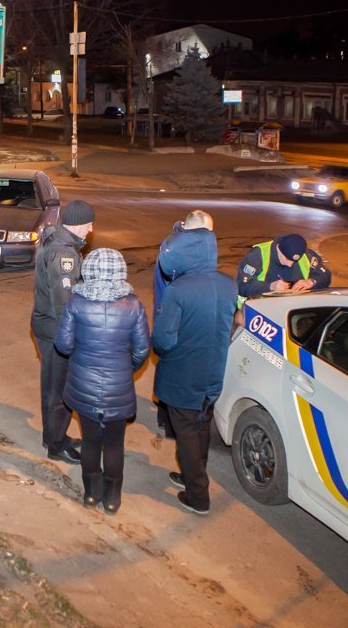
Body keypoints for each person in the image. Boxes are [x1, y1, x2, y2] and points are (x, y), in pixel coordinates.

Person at [54, 248, 150, 514]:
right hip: (118, 387)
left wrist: (82, 359)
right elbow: (143, 350)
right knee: (114, 444)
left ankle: (91, 494)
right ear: (120, 269)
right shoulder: (133, 304)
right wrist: (124, 369)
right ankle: (112, 497)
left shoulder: (76, 302)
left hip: (83, 385)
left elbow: (62, 344)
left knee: (91, 441)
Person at [152, 221, 238, 516]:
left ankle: (198, 494)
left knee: (186, 431)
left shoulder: (179, 290)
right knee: (201, 424)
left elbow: (163, 340)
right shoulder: (228, 284)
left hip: (183, 374)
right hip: (213, 371)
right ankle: (193, 474)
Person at [30, 199, 95, 464]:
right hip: (57, 330)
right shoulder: (64, 254)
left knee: (53, 386)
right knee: (60, 390)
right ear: (79, 224)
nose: (91, 230)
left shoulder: (59, 242)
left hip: (48, 326)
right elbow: (65, 304)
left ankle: (53, 436)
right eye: (89, 224)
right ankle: (56, 445)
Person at [152, 209, 215, 438]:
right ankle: (169, 420)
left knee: (170, 364)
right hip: (174, 314)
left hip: (171, 311)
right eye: (206, 232)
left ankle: (166, 416)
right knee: (173, 366)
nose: (209, 238)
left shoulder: (176, 241)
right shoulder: (179, 249)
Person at [236, 233, 331, 308]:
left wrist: (311, 282)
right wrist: (270, 287)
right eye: (287, 259)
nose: (290, 264)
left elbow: (325, 275)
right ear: (278, 248)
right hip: (259, 310)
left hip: (292, 309)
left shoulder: (307, 256)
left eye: (294, 261)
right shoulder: (258, 255)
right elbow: (242, 286)